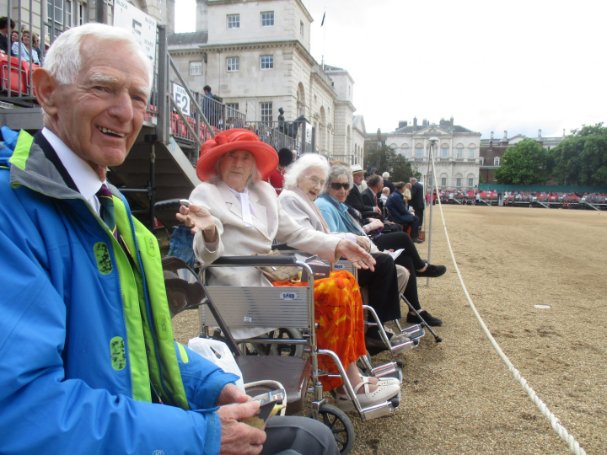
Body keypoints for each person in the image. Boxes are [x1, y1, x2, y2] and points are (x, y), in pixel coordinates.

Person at [0, 23, 339, 455]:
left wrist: (211, 385)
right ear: (47, 92)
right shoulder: (13, 209)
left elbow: (141, 339)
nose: (125, 112)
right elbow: (20, 411)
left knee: (311, 435)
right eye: (104, 88)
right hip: (123, 426)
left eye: (139, 97)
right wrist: (200, 435)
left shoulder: (111, 203)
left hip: (139, 417)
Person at [177, 128, 400, 411]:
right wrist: (208, 233)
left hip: (269, 280)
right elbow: (206, 254)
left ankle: (349, 376)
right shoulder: (206, 193)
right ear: (218, 162)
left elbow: (297, 234)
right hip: (236, 289)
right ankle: (346, 383)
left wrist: (340, 243)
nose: (238, 163)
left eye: (245, 157)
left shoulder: (264, 192)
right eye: (230, 156)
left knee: (344, 278)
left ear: (254, 163)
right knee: (337, 287)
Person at [278, 154, 413, 353]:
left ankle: (376, 329)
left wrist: (349, 239)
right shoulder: (291, 198)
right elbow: (304, 236)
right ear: (298, 176)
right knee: (382, 263)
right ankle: (375, 332)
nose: (317, 186)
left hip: (320, 258)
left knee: (386, 263)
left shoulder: (305, 198)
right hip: (309, 262)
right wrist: (348, 240)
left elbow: (320, 234)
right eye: (313, 180)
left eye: (321, 182)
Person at [316, 163, 446, 327]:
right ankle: (377, 326)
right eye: (337, 186)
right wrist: (368, 229)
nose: (342, 190)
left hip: (361, 245)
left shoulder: (338, 204)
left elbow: (354, 225)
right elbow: (332, 240)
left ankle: (414, 311)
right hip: (349, 257)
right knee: (400, 240)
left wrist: (369, 228)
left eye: (345, 185)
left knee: (405, 258)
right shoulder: (326, 205)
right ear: (327, 186)